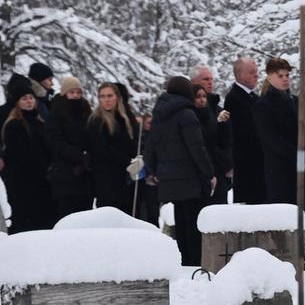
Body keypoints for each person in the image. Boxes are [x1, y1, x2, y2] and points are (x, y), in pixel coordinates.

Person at [147, 76, 216, 266]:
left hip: (169, 176)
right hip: (190, 176)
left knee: (181, 219)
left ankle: (183, 259)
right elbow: (197, 147)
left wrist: (153, 169)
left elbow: (151, 144)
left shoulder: (159, 115)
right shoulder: (187, 115)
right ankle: (194, 261)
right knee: (194, 222)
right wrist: (209, 173)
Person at [0, 75, 54, 232]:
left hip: (42, 180)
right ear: (17, 102)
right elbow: (21, 154)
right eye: (24, 98)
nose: (29, 101)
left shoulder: (40, 122)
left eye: (31, 98)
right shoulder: (13, 125)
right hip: (23, 182)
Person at [253, 57, 300, 205]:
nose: (285, 79)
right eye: (280, 76)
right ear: (269, 77)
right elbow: (272, 139)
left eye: (287, 75)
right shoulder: (263, 105)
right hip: (279, 168)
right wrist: (298, 155)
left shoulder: (296, 101)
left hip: (299, 166)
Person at [45, 75, 93, 217]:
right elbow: (54, 141)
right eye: (72, 92)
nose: (75, 96)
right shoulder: (55, 114)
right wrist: (77, 155)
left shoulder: (86, 112)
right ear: (65, 93)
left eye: (78, 92)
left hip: (85, 176)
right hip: (64, 175)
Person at [87, 82, 138, 212]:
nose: (106, 100)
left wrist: (135, 158)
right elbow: (102, 148)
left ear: (117, 97)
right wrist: (127, 161)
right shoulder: (96, 120)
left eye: (110, 96)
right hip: (106, 177)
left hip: (124, 176)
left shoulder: (124, 118)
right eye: (102, 96)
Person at [224, 55, 266, 203]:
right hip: (248, 164)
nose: (256, 74)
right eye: (251, 71)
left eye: (256, 71)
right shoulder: (235, 98)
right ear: (239, 75)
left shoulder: (252, 97)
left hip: (258, 163)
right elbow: (246, 131)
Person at [190, 64, 232, 202]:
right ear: (194, 82)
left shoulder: (217, 108)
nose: (210, 82)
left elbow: (226, 140)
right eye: (205, 79)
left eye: (211, 79)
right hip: (201, 172)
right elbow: (203, 140)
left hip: (221, 170)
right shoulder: (189, 111)